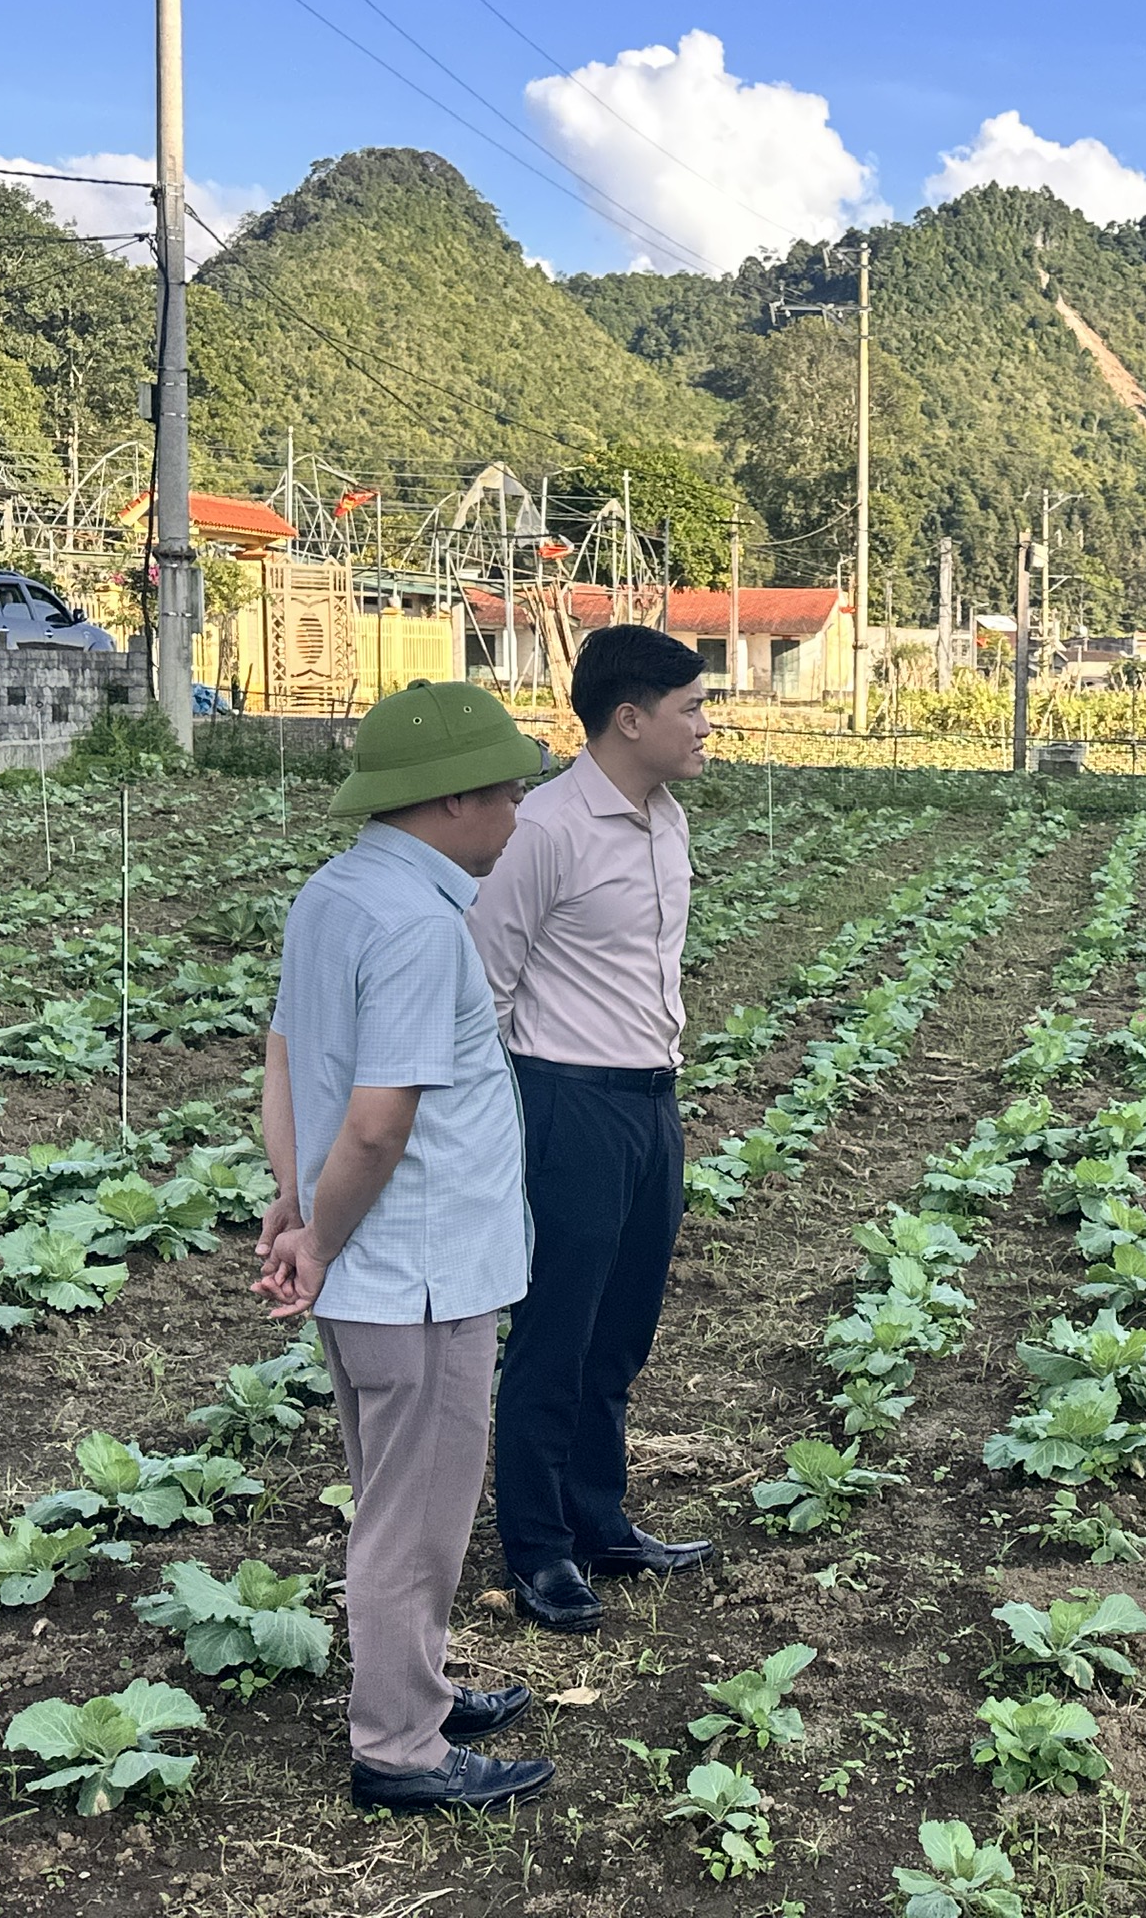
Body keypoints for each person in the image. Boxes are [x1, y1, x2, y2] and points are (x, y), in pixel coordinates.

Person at [255, 681, 552, 1814]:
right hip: (419, 1274)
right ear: (453, 799)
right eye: (509, 793)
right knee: (413, 1519)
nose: (519, 815)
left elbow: (287, 1056)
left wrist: (293, 1205)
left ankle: (415, 1688)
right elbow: (381, 1123)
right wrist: (320, 1238)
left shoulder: (333, 894)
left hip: (369, 1269)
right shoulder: (422, 927)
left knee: (396, 1490)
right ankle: (400, 1748)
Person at [471, 624, 715, 1633]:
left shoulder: (667, 822)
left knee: (620, 1330)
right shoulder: (545, 830)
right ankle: (538, 1548)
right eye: (691, 709)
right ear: (629, 719)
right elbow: (486, 985)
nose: (706, 727)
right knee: (557, 1331)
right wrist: (503, 1124)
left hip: (652, 1101)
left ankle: (599, 1520)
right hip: (566, 1100)